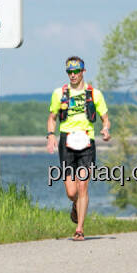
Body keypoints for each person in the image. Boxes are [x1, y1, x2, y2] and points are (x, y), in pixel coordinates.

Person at [46, 56, 110, 241]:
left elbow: (105, 118)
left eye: (76, 71)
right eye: (69, 72)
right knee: (71, 192)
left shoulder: (94, 94)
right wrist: (50, 135)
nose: (73, 75)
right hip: (67, 141)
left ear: (83, 71)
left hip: (86, 141)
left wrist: (105, 129)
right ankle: (75, 205)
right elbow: (52, 117)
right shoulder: (59, 93)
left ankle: (79, 229)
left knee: (83, 186)